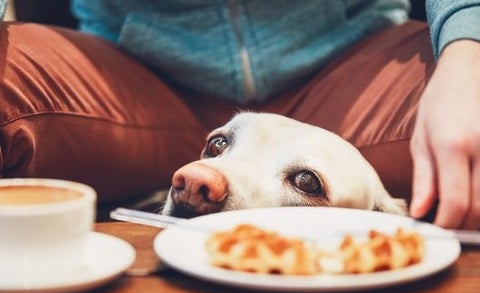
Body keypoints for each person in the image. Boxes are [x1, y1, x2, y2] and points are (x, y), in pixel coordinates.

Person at [0, 0, 478, 229]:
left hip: (355, 62)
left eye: (306, 183)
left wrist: (467, 48)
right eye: (218, 148)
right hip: (132, 73)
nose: (199, 177)